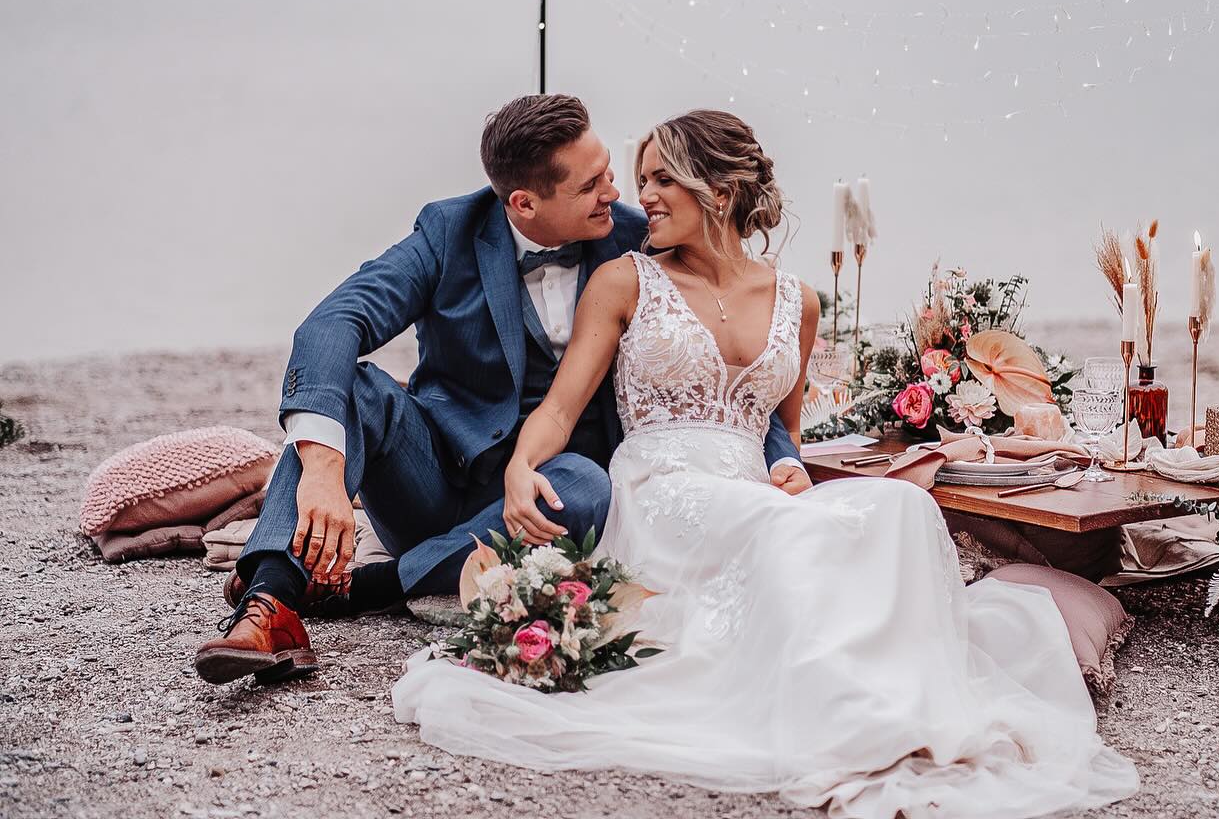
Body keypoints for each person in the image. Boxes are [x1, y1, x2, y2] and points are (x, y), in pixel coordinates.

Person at [391, 110, 1139, 818]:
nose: (639, 196)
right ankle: (852, 716)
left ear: (719, 193)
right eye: (638, 178)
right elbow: (558, 408)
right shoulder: (624, 281)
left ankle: (891, 700)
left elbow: (781, 431)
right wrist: (523, 468)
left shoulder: (799, 300)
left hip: (749, 486)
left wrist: (789, 470)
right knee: (794, 538)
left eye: (660, 180)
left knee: (903, 509)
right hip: (661, 490)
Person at [193, 95, 811, 686]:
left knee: (589, 486)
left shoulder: (639, 237)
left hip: (552, 495)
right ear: (523, 203)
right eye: (592, 185)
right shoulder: (448, 232)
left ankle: (375, 586)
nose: (618, 193)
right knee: (355, 387)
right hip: (431, 481)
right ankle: (268, 604)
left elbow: (727, 373)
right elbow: (334, 324)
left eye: (609, 173)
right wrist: (323, 472)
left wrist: (780, 453)